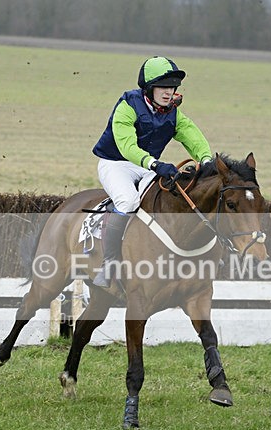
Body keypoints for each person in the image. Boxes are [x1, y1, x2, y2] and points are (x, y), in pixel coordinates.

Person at [91, 56, 213, 288]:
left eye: (172, 87)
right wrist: (155, 164)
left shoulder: (173, 112)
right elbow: (127, 147)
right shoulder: (127, 105)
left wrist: (206, 161)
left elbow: (192, 136)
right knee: (128, 202)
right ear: (149, 88)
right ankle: (109, 264)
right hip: (115, 163)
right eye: (163, 87)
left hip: (146, 165)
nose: (169, 93)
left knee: (167, 196)